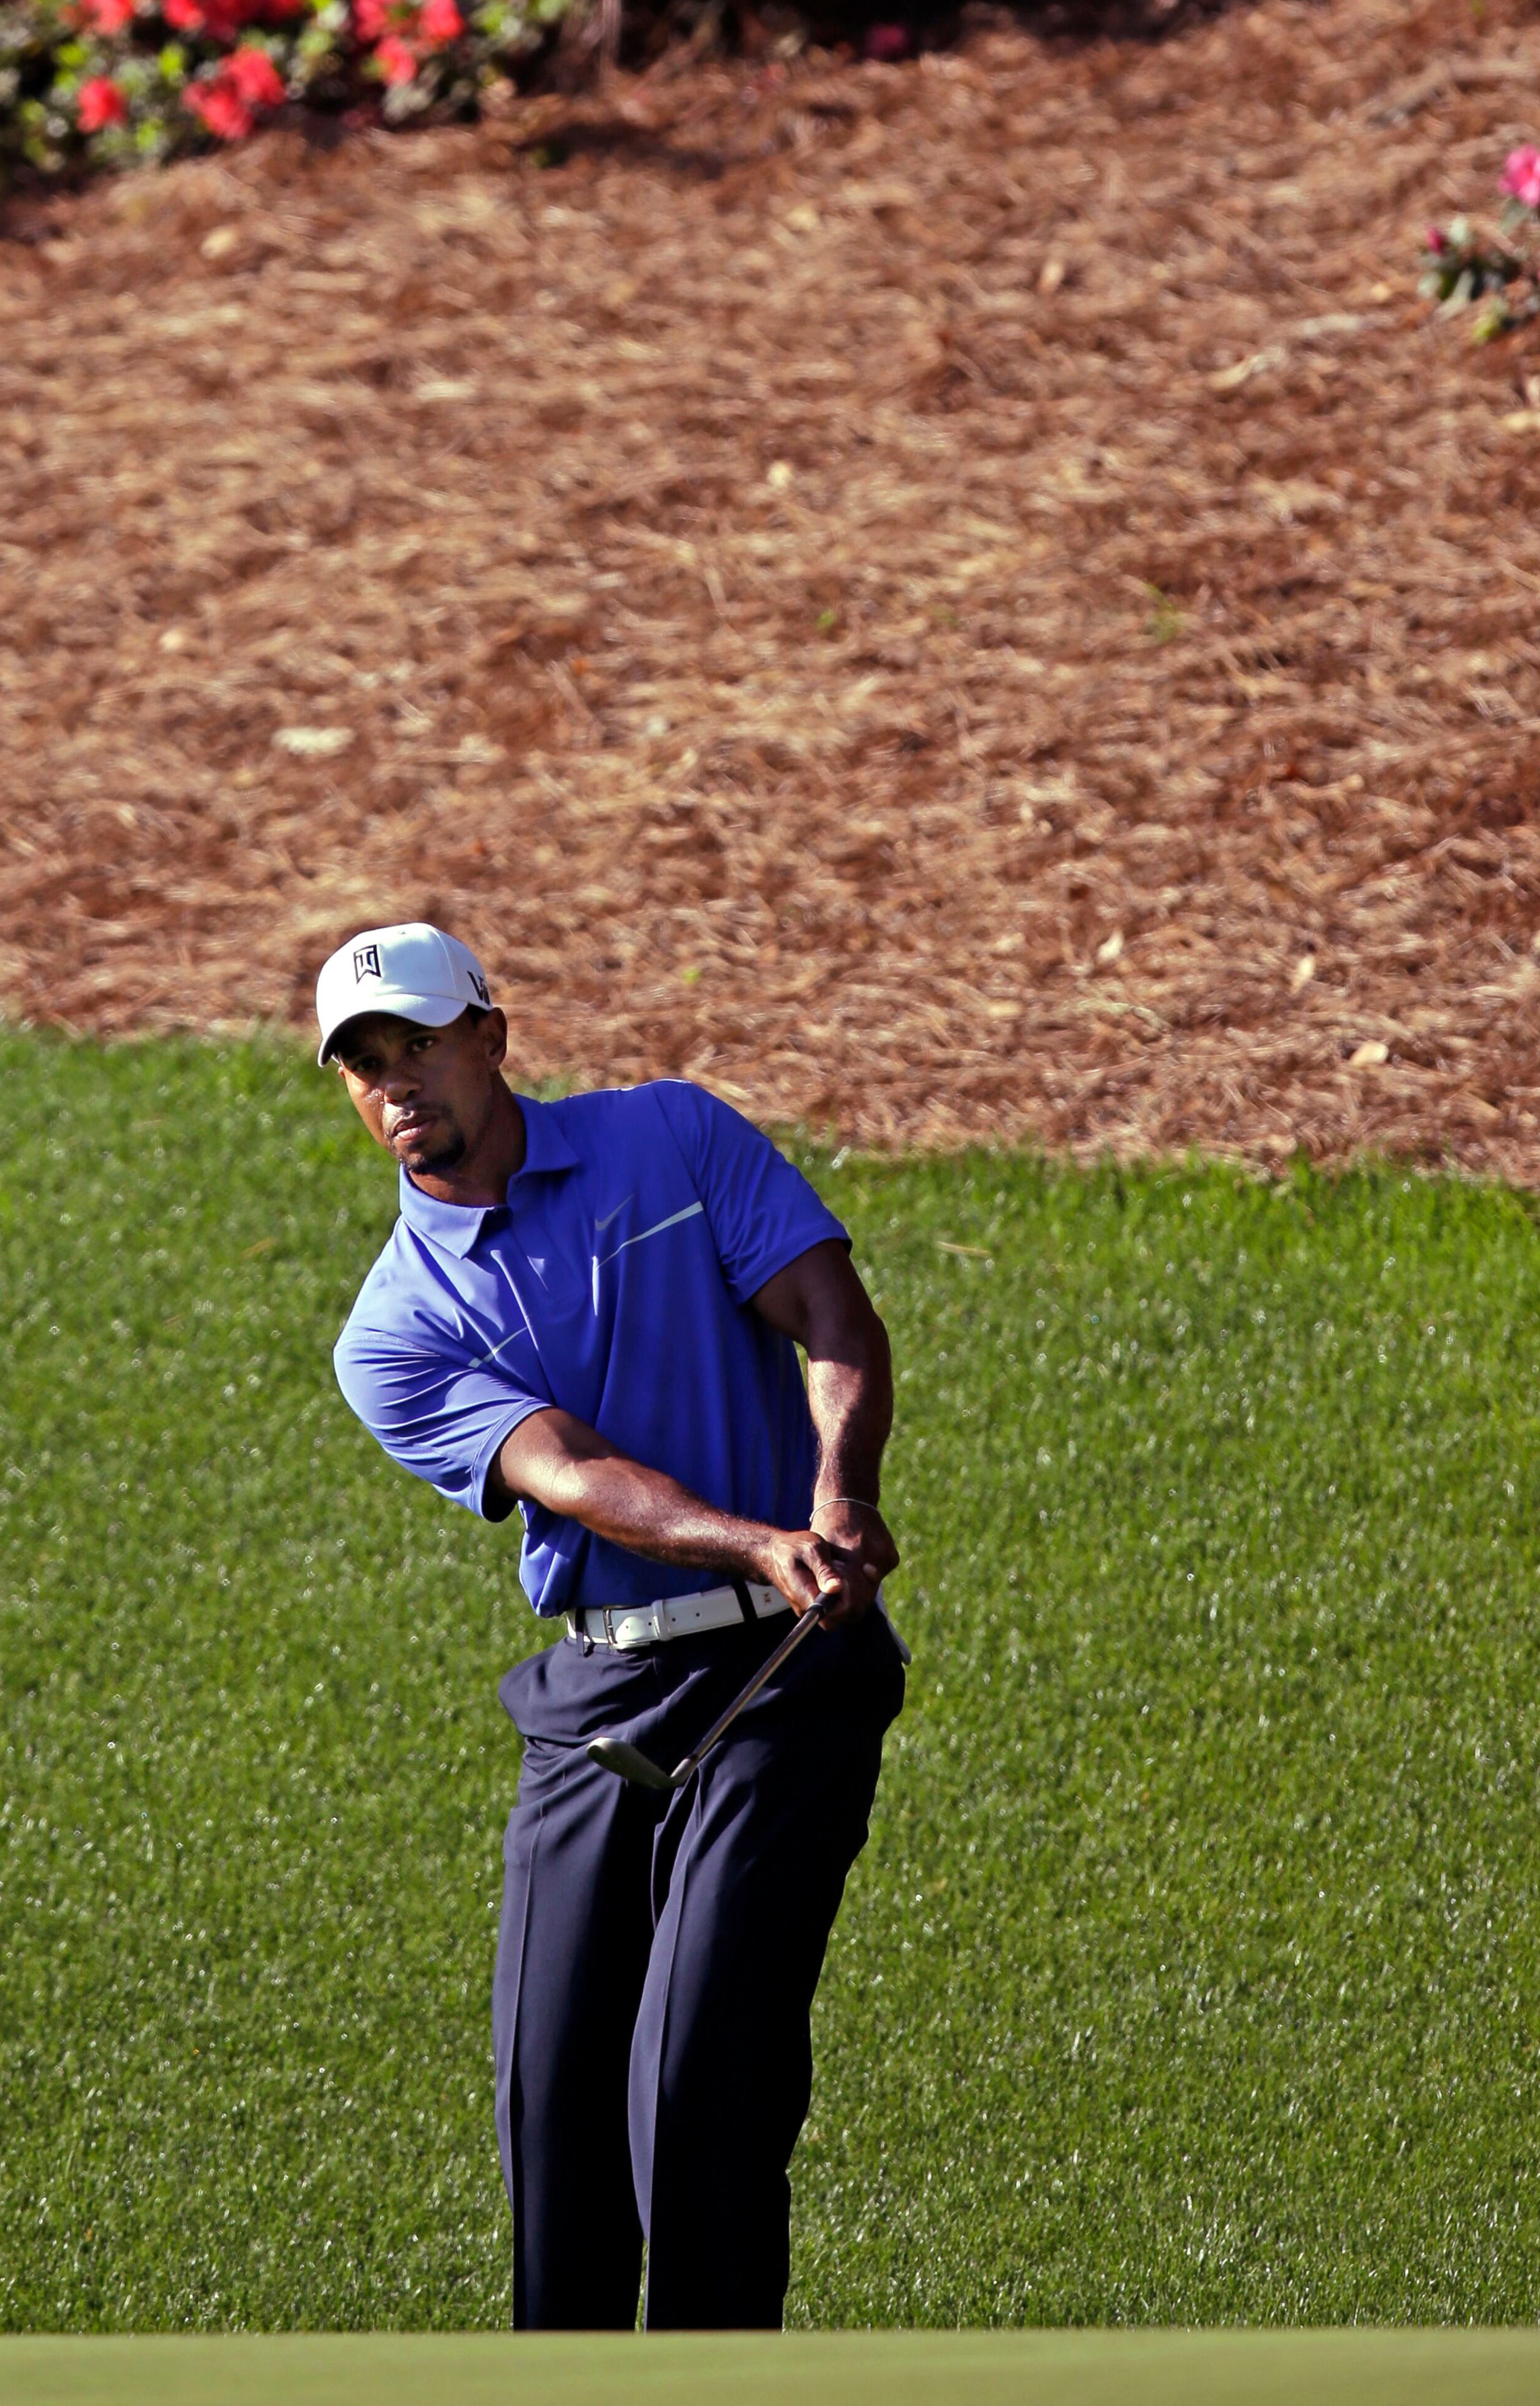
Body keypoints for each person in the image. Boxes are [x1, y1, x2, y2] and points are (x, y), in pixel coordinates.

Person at [319, 918, 905, 2333]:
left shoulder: (673, 1140)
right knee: (557, 2105)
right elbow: (569, 1471)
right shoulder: (392, 1330)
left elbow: (826, 1301)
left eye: (422, 1045)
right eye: (365, 1063)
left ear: (493, 1037)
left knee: (697, 2085)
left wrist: (837, 1489)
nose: (399, 1083)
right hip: (597, 1705)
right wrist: (753, 1531)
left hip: (781, 1672)